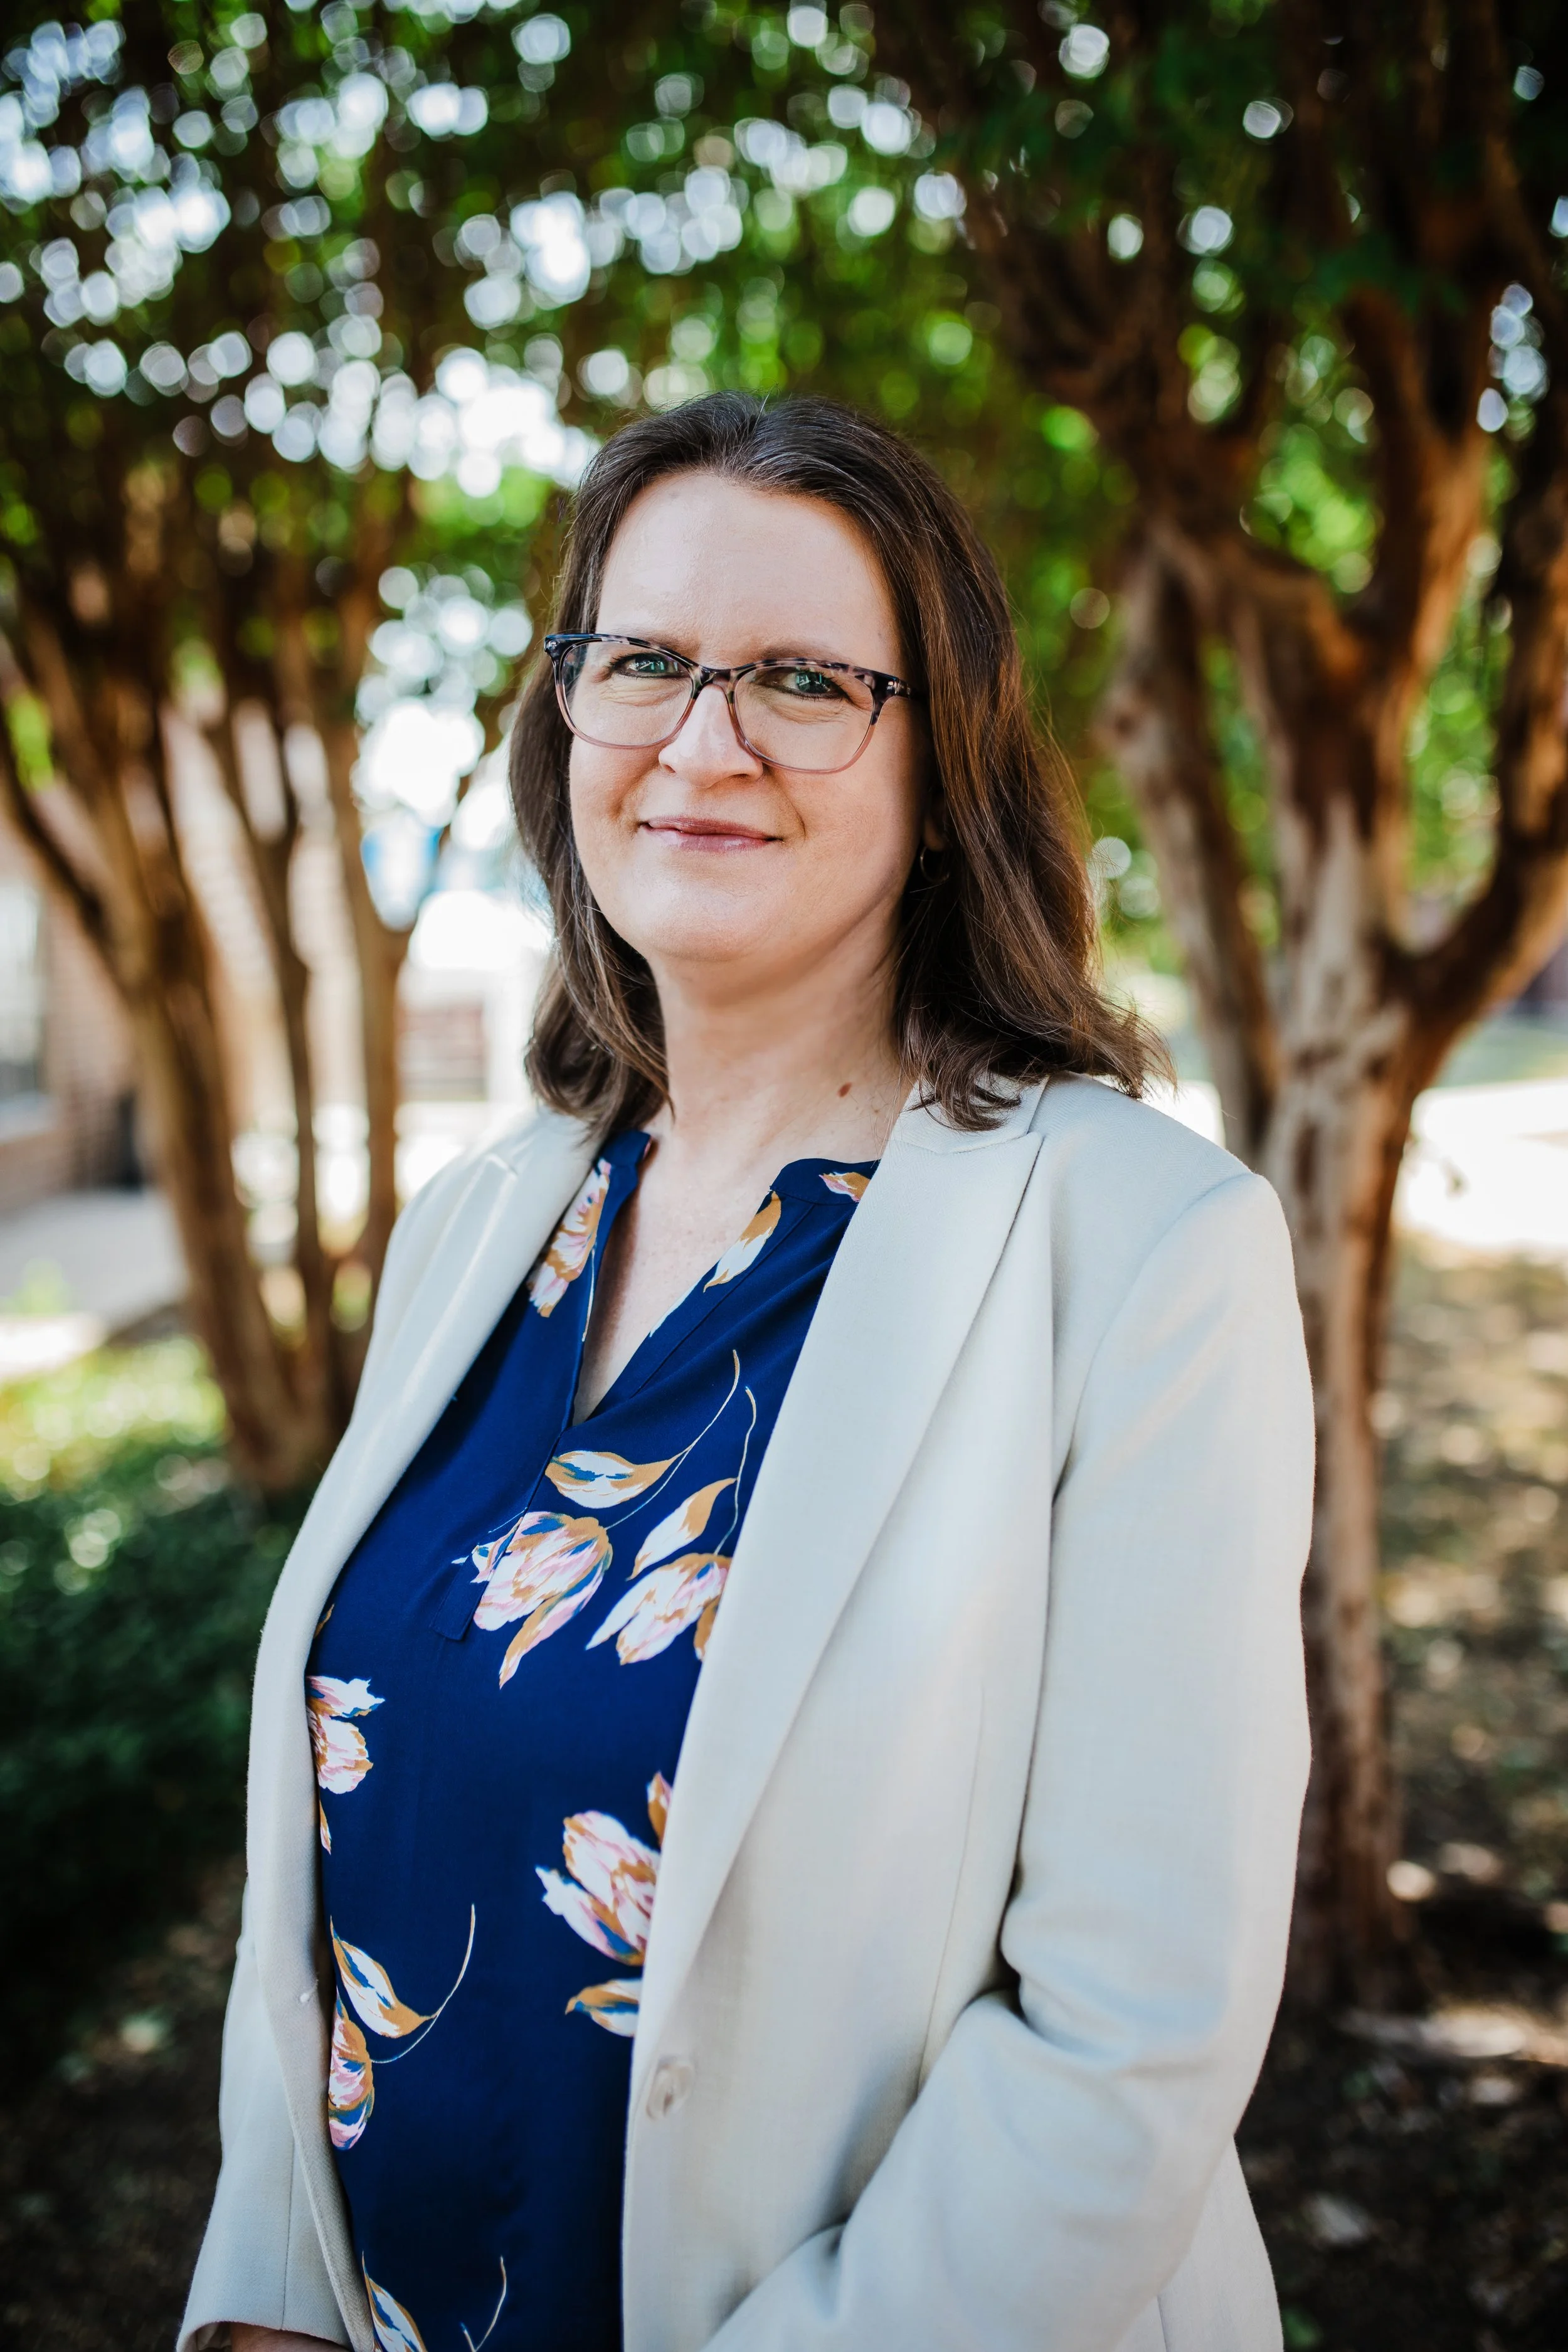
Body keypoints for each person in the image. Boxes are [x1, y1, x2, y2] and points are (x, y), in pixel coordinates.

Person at [182, 391, 1313, 2352]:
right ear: (565, 724)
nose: (701, 744)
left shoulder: (1139, 1250)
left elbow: (1126, 2038)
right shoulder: (479, 1230)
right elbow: (333, 1875)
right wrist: (265, 2298)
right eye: (641, 663)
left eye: (802, 678)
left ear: (942, 764)